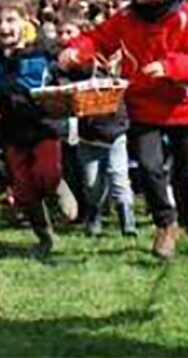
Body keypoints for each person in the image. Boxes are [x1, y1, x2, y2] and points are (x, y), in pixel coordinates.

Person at [60, 0, 188, 259]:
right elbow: (97, 38)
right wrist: (76, 49)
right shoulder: (126, 18)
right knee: (148, 167)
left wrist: (171, 67)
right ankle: (165, 225)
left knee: (186, 175)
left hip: (179, 106)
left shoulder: (186, 18)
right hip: (143, 105)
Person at [0, 0, 64, 258]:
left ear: (26, 21)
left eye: (11, 20)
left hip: (44, 126)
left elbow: (65, 72)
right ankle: (43, 235)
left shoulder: (43, 49)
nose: (5, 27)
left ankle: (59, 188)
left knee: (46, 174)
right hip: (12, 131)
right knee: (24, 189)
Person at [56, 15, 136, 238]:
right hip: (89, 133)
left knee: (119, 177)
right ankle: (94, 215)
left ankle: (127, 219)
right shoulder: (85, 66)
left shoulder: (124, 69)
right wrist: (78, 58)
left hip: (116, 131)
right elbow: (70, 70)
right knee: (92, 182)